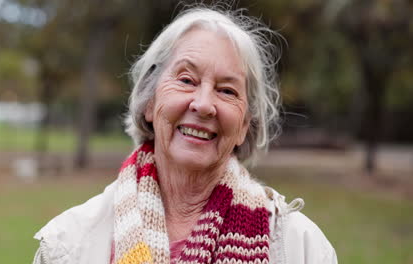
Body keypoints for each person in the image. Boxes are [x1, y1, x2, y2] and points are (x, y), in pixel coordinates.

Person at [32, 6, 337, 264]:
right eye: (187, 80)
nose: (204, 105)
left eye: (227, 90)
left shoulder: (302, 248)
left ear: (245, 124)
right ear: (149, 102)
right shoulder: (68, 245)